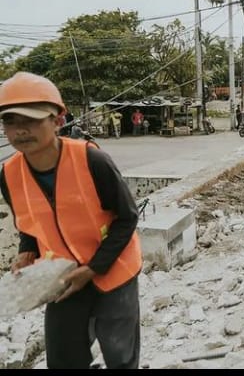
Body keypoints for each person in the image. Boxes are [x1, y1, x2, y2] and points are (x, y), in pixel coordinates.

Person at [0, 72, 142, 369]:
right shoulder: (9, 173)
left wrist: (93, 268)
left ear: (57, 120)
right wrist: (27, 251)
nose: (20, 130)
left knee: (119, 354)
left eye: (31, 120)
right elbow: (29, 223)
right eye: (11, 121)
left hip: (113, 269)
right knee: (63, 356)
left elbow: (127, 218)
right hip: (63, 275)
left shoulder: (92, 160)